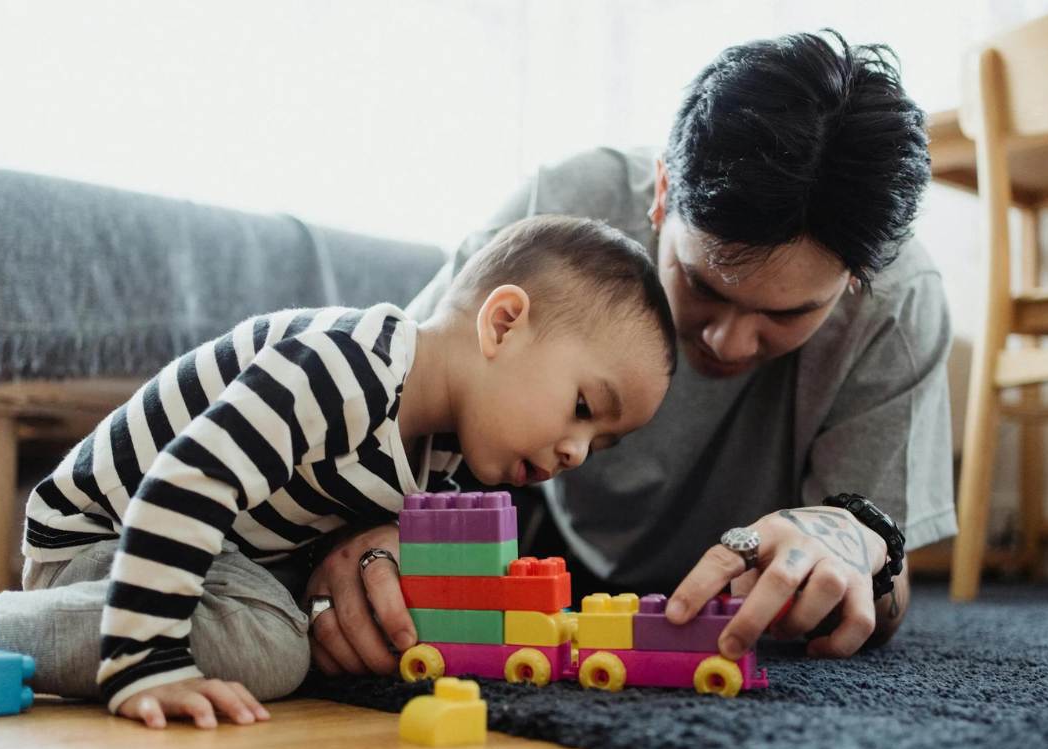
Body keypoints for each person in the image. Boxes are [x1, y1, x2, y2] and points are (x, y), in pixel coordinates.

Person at [305, 30, 953, 675]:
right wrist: (362, 537)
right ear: (663, 193)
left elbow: (884, 594)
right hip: (528, 551)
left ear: (858, 277)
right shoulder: (560, 215)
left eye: (786, 314)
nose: (727, 341)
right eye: (700, 285)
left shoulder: (899, 306)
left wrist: (852, 545)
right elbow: (386, 403)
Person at [0, 215, 677, 728]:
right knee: (273, 652)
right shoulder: (346, 368)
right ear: (504, 323)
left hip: (218, 559)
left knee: (289, 635)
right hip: (108, 535)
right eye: (583, 406)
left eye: (601, 444)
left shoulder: (441, 453)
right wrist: (150, 664)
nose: (576, 453)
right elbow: (186, 483)